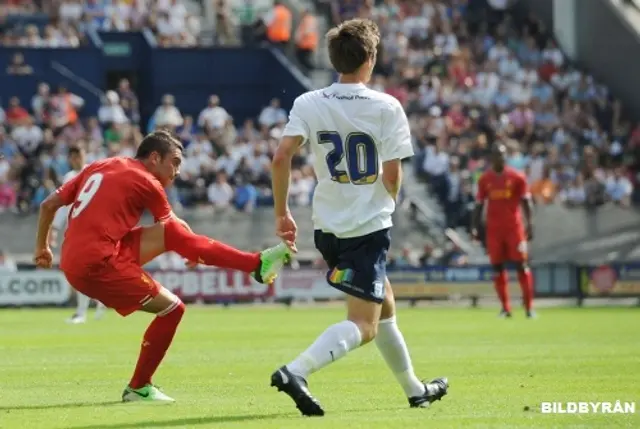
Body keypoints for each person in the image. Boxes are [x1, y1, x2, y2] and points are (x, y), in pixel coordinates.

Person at [268, 19, 448, 417]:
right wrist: (387, 202)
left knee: (384, 307)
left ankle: (415, 389)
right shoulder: (387, 107)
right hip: (366, 228)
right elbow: (393, 173)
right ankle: (296, 372)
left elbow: (281, 157)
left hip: (327, 226)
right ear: (370, 58)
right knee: (364, 325)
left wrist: (282, 214)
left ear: (334, 59)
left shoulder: (308, 102)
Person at [33, 130, 292, 402]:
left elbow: (48, 204)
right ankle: (139, 387)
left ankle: (256, 264)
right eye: (175, 162)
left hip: (78, 255)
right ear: (154, 157)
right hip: (97, 264)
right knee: (173, 308)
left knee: (169, 234)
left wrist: (42, 247)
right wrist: (190, 245)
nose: (178, 171)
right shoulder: (146, 181)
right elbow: (174, 225)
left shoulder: (103, 165)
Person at [471, 143, 535, 318]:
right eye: (497, 155)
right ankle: (505, 308)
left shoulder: (517, 177)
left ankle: (529, 307)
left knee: (522, 266)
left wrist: (530, 223)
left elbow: (526, 201)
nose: (501, 158)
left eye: (503, 155)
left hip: (514, 229)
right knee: (497, 268)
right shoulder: (485, 179)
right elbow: (479, 205)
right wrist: (475, 228)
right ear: (491, 158)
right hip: (494, 230)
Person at [50, 145, 107, 324]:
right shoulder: (69, 177)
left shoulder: (95, 173)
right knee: (80, 271)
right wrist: (55, 228)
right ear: (70, 159)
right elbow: (63, 205)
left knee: (81, 270)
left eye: (79, 155)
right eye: (73, 157)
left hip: (91, 229)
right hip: (74, 230)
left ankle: (82, 312)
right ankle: (98, 301)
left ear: (84, 155)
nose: (76, 159)